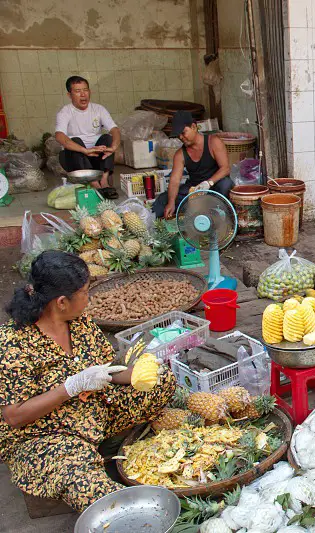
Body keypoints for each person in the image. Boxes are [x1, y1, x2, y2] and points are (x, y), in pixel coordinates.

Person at [0, 251, 175, 511]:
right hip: (46, 434)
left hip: (96, 411)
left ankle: (99, 444)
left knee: (164, 382)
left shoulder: (80, 322)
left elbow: (109, 370)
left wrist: (139, 373)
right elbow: (14, 416)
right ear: (61, 302)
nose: (89, 298)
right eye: (85, 292)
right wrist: (70, 387)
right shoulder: (12, 343)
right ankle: (134, 513)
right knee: (85, 483)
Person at [152, 110, 233, 219]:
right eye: (178, 135)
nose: (181, 137)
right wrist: (171, 203)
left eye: (183, 132)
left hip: (215, 187)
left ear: (194, 127)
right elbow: (175, 181)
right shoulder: (180, 154)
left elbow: (225, 168)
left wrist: (208, 183)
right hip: (195, 189)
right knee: (164, 199)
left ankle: (215, 213)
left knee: (226, 184)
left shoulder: (213, 142)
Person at [54, 76, 121, 199]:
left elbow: (114, 129)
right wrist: (85, 150)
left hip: (97, 158)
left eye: (85, 90)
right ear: (69, 95)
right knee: (75, 142)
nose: (83, 94)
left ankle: (104, 182)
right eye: (78, 91)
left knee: (107, 138)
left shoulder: (99, 109)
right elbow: (59, 135)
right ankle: (95, 184)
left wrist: (114, 147)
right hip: (76, 159)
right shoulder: (65, 112)